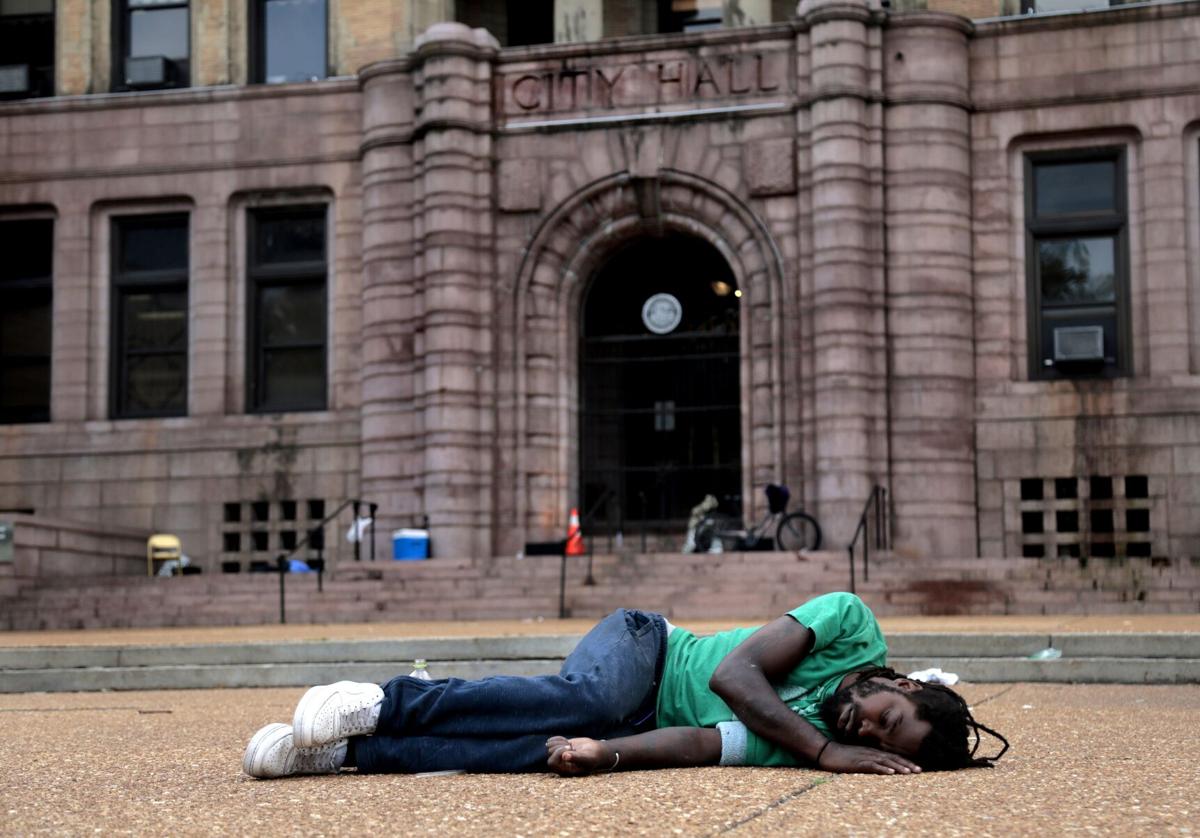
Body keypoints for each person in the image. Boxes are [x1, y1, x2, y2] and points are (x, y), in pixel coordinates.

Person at [242, 592, 1008, 779]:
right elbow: (731, 677)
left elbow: (701, 742)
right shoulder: (847, 622)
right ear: (901, 680)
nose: (863, 729)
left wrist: (601, 758)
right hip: (645, 649)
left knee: (540, 750)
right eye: (885, 715)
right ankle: (387, 701)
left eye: (875, 740)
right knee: (590, 702)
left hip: (636, 711)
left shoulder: (805, 743)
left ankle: (347, 756)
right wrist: (820, 750)